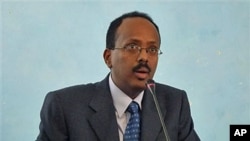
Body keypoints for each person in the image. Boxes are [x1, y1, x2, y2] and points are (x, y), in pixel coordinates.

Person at [36, 11, 200, 141]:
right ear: (108, 58)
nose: (144, 57)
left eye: (152, 50)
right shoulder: (65, 106)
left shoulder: (174, 103)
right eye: (132, 46)